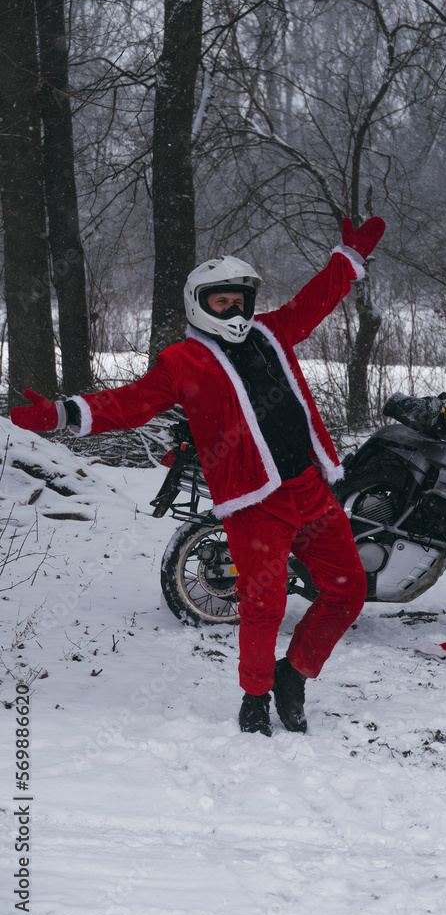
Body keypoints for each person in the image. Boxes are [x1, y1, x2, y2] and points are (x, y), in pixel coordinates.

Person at [11, 217, 386, 737]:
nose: (234, 310)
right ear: (198, 304)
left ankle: (292, 674)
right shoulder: (182, 361)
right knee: (264, 606)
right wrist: (62, 414)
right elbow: (131, 404)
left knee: (346, 590)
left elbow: (313, 302)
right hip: (256, 500)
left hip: (308, 486)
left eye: (240, 299)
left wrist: (346, 261)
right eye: (221, 301)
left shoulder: (271, 334)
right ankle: (255, 696)